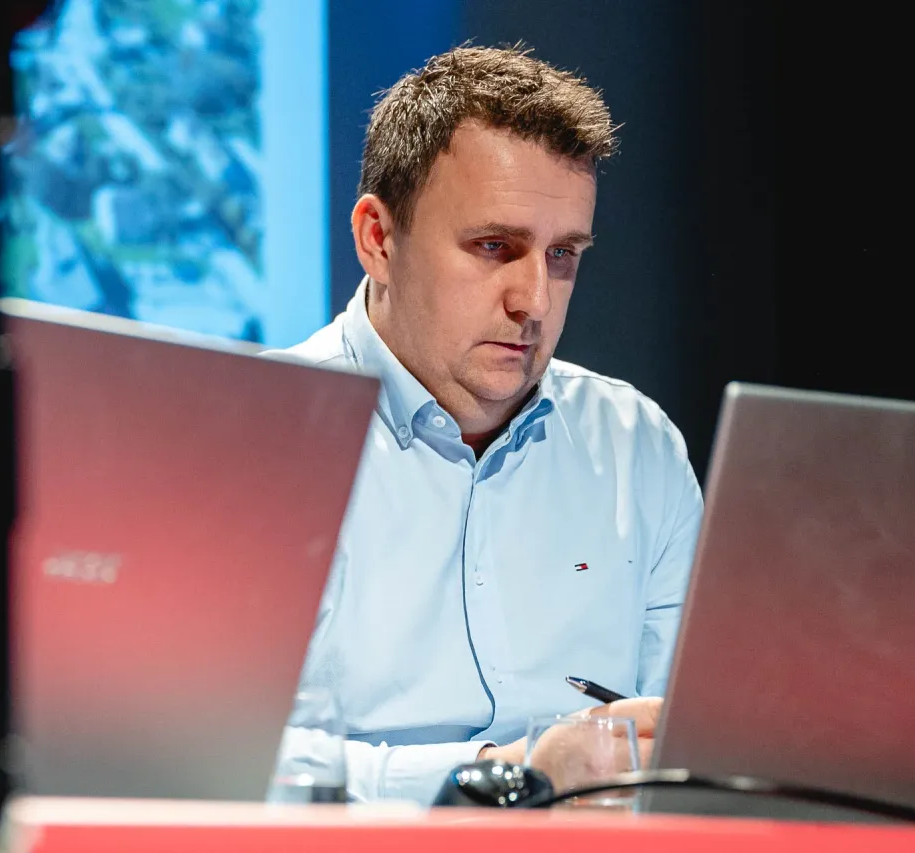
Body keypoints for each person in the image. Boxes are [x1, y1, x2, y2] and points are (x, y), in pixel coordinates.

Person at [273, 44, 703, 805]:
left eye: (563, 254)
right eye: (495, 247)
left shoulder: (637, 446)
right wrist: (500, 779)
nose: (534, 300)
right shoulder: (252, 439)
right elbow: (210, 762)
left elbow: (688, 752)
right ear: (378, 239)